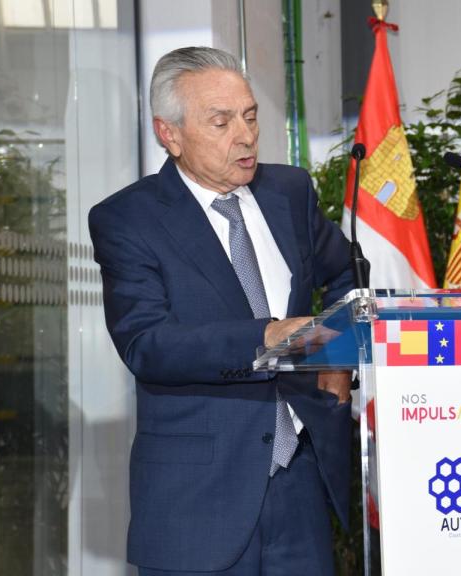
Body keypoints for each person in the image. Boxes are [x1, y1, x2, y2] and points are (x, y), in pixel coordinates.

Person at [89, 46, 354, 576]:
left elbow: (352, 274)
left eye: (250, 116)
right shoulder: (128, 219)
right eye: (222, 121)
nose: (246, 135)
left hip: (301, 480)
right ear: (170, 133)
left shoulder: (289, 192)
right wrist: (269, 335)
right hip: (198, 503)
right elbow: (147, 344)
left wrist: (336, 362)